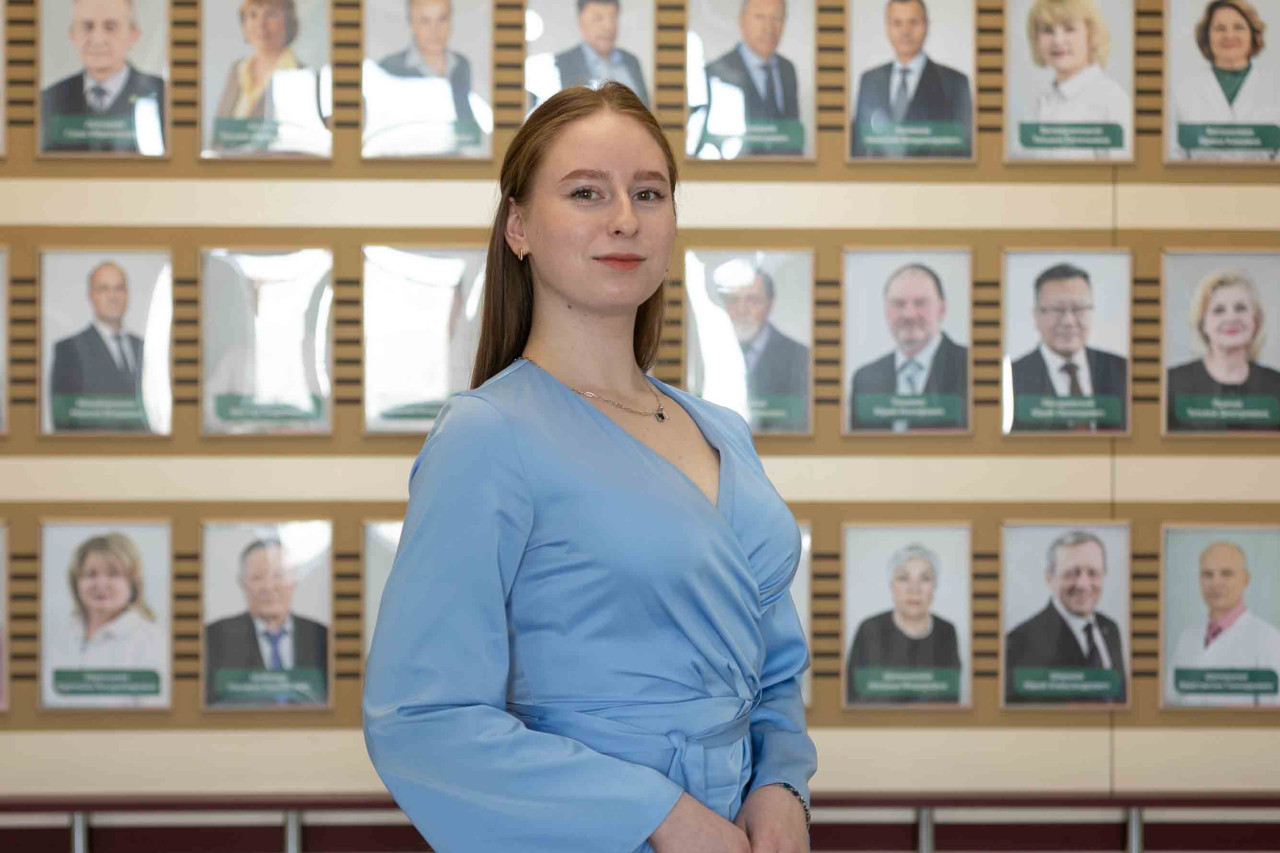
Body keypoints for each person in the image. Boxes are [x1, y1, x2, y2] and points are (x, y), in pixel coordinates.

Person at [363, 83, 815, 853]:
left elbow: (773, 668)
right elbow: (421, 719)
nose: (625, 219)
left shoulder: (725, 433)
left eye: (649, 192)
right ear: (518, 226)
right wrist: (660, 815)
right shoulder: (486, 437)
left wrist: (782, 782)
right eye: (586, 192)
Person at [42, 532, 169, 707]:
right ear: (76, 582)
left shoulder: (152, 640)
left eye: (113, 574)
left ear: (132, 583)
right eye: (90, 574)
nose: (100, 584)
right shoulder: (56, 634)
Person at [1005, 530, 1127, 704]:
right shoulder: (1020, 642)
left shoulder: (1110, 629)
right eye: (1072, 573)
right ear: (1049, 578)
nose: (1083, 584)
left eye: (1093, 573)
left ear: (1104, 575)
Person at [203, 537, 330, 706]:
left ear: (294, 581)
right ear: (242, 584)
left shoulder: (323, 637)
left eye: (278, 575)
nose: (268, 587)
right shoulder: (214, 638)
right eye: (257, 578)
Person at [849, 263, 969, 431]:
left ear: (942, 309)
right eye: (898, 304)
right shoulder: (865, 379)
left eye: (920, 303)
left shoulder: (971, 368)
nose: (909, 314)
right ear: (886, 311)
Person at [1009, 262, 1128, 432]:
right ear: (1036, 316)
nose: (1068, 321)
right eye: (1057, 309)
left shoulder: (1124, 370)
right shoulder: (1011, 377)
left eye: (1078, 309)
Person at [40, 0, 167, 154]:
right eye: (87, 27)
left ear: (133, 34)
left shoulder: (164, 96)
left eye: (110, 27)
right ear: (72, 34)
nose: (97, 39)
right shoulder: (49, 100)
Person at [849, 0, 973, 159]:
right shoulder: (869, 80)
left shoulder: (955, 82)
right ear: (887, 27)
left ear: (927, 25)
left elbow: (963, 148)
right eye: (897, 23)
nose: (905, 31)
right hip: (877, 174)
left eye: (913, 22)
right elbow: (859, 147)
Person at [845, 543, 962, 705]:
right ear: (891, 586)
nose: (914, 589)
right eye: (903, 578)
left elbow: (949, 699)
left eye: (925, 579)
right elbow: (853, 698)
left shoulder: (947, 632)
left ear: (934, 586)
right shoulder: (870, 630)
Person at [1015, 0, 1132, 161]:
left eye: (1069, 29)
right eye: (1048, 30)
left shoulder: (1112, 101)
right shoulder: (1039, 103)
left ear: (1091, 35)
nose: (1058, 40)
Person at [1167, 540, 1280, 706]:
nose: (1215, 583)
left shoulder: (1269, 640)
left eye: (1226, 573)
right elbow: (1170, 702)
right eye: (1207, 574)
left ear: (1245, 579)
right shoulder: (1187, 637)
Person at [1167, 269, 1280, 432]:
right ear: (1203, 324)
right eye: (1219, 310)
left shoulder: (1276, 384)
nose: (1231, 318)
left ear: (1255, 320)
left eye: (1240, 308)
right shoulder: (1171, 384)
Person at [1169, 0, 1279, 161]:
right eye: (1220, 28)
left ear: (1253, 35)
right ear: (1207, 37)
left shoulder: (1276, 89)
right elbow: (1172, 156)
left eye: (1238, 27)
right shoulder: (1181, 92)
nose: (1229, 36)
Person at [49, 260, 147, 431]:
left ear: (127, 294)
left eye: (119, 288)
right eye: (103, 289)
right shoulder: (69, 350)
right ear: (91, 295)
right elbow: (63, 422)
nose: (112, 297)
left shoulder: (146, 348)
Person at [212, 0, 322, 149]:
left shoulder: (303, 76)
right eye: (253, 15)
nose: (260, 24)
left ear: (288, 22)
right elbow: (218, 136)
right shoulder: (237, 69)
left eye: (271, 14)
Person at [713, 264, 810, 433]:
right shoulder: (708, 352)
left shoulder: (800, 357)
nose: (742, 310)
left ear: (769, 305)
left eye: (753, 300)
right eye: (733, 300)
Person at [702, 0, 803, 155]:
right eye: (760, 17)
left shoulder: (787, 69)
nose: (769, 28)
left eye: (776, 18)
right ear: (742, 22)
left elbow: (792, 133)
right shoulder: (716, 71)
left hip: (784, 167)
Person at [376, 0, 475, 126]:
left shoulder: (461, 65)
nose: (435, 30)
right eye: (425, 21)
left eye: (442, 19)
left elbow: (467, 121)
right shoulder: (388, 68)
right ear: (411, 24)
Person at [553, 0, 650, 106]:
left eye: (613, 18)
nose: (608, 26)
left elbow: (647, 109)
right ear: (580, 22)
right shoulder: (561, 64)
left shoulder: (631, 61)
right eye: (598, 18)